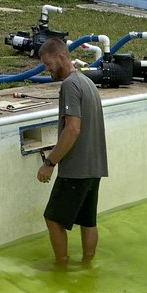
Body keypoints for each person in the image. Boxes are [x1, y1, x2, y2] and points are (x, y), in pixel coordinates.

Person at [35, 37, 108, 265]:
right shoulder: (87, 83)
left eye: (48, 64)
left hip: (75, 169)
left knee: (52, 219)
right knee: (88, 221)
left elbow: (73, 129)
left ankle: (61, 266)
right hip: (94, 166)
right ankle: (88, 265)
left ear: (61, 57)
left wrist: (50, 163)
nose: (47, 70)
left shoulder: (70, 85)